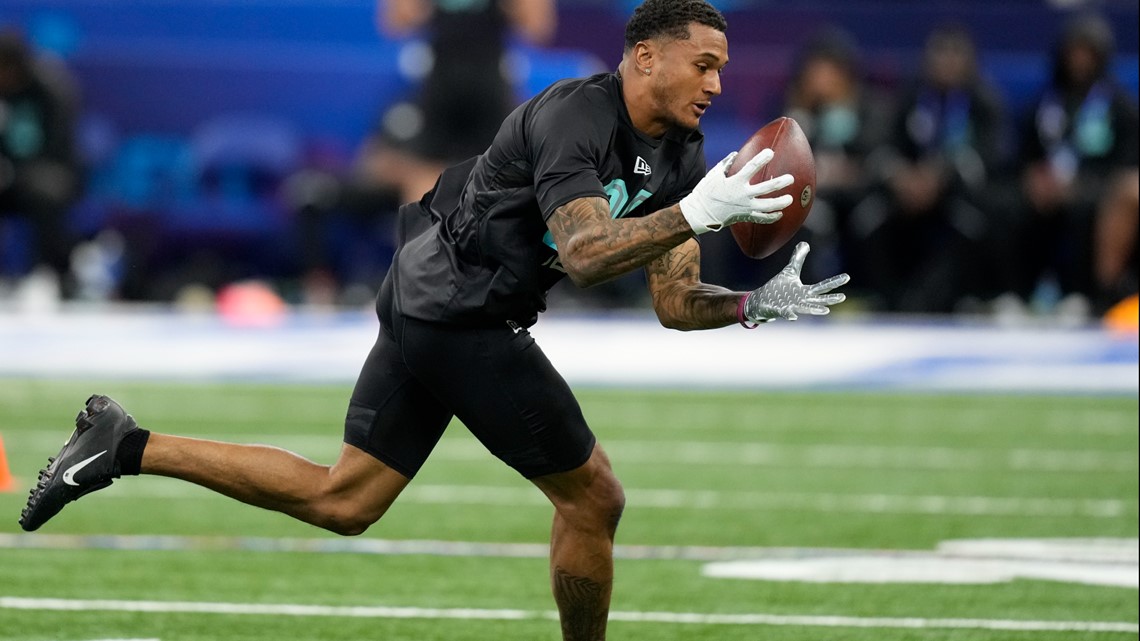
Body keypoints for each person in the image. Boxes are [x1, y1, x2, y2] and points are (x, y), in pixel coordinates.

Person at [19, 2, 849, 639]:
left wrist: (748, 304)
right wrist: (693, 214)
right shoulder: (577, 116)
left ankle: (124, 442)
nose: (716, 83)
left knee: (346, 499)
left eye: (721, 68)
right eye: (703, 65)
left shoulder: (682, 154)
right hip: (462, 301)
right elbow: (591, 252)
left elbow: (672, 301)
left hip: (438, 289)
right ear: (645, 56)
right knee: (595, 499)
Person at [288, 0, 557, 305]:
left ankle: (509, 289)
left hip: (489, 88)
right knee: (424, 181)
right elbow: (395, 22)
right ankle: (419, 289)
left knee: (504, 184)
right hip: (441, 88)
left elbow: (538, 28)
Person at [848, 23, 1009, 313]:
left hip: (957, 194)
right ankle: (888, 299)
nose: (946, 62)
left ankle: (940, 301)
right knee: (868, 217)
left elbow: (991, 156)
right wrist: (900, 176)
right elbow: (883, 147)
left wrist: (942, 176)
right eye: (940, 54)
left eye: (955, 54)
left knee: (970, 224)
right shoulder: (911, 98)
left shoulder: (983, 102)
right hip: (907, 193)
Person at [1008, 12, 1138, 317]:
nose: (1079, 60)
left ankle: (1083, 293)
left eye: (1087, 53)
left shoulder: (1119, 107)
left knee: (1086, 208)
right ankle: (1015, 291)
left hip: (1095, 185)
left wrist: (1081, 184)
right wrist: (1033, 176)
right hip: (1047, 186)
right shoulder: (1045, 101)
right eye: (1073, 52)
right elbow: (1023, 154)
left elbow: (1128, 163)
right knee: (1007, 205)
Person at [0, 29, 82, 298]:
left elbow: (60, 149)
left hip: (45, 173)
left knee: (46, 192)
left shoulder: (52, 90)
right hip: (6, 175)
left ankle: (45, 273)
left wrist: (20, 172)